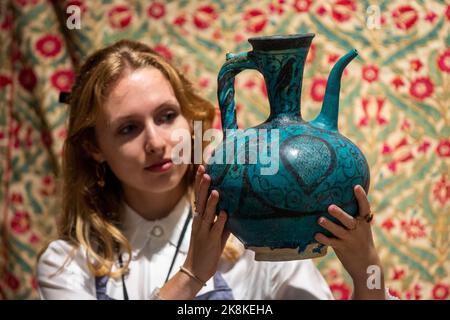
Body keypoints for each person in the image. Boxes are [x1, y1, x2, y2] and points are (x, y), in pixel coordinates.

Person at [37, 40, 389, 300]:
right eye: (128, 128)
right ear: (94, 147)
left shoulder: (257, 231)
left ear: (190, 120)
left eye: (166, 116)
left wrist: (366, 271)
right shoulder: (67, 264)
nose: (156, 142)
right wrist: (191, 276)